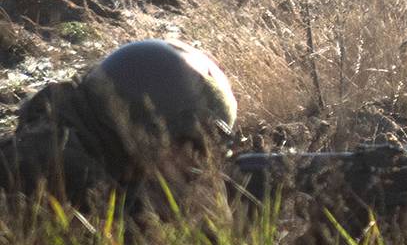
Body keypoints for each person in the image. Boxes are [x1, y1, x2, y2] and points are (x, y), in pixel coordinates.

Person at [0, 38, 237, 214]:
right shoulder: (55, 167)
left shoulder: (95, 154)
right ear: (149, 127)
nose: (196, 164)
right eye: (193, 145)